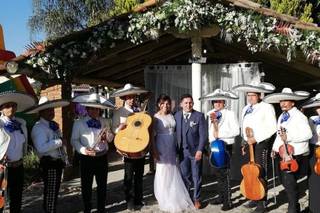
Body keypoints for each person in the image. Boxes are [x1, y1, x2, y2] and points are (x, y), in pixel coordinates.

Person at [264, 88, 312, 213]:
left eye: (286, 101)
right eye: (281, 101)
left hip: (294, 153)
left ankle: (293, 209)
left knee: (289, 182)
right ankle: (295, 206)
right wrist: (275, 148)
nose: (283, 103)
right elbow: (280, 135)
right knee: (284, 180)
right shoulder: (281, 116)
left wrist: (289, 137)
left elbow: (307, 134)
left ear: (293, 102)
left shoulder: (300, 116)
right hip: (283, 153)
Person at [232, 82, 277, 213]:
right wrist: (244, 143)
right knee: (250, 172)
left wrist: (256, 138)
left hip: (260, 143)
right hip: (248, 144)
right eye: (248, 95)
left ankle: (262, 203)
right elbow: (244, 126)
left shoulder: (267, 107)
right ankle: (254, 196)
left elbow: (272, 127)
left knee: (260, 172)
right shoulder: (246, 108)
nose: (250, 98)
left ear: (259, 95)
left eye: (253, 95)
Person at [71, 93, 115, 213]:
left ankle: (101, 209)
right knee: (86, 186)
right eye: (92, 108)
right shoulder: (79, 123)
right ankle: (87, 209)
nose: (95, 111)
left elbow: (111, 138)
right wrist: (84, 150)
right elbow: (73, 140)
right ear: (87, 109)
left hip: (102, 157)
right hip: (87, 158)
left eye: (97, 108)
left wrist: (108, 136)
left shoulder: (105, 121)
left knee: (102, 186)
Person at [26, 97, 70, 213]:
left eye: (52, 110)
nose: (51, 112)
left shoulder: (53, 125)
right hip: (49, 162)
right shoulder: (39, 127)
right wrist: (60, 142)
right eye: (48, 110)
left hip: (56, 162)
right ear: (41, 112)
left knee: (54, 191)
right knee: (51, 192)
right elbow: (41, 147)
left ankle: (51, 210)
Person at [152, 94, 194, 212]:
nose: (165, 105)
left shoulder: (172, 115)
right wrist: (154, 150)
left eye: (167, 103)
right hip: (161, 143)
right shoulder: (155, 117)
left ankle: (173, 193)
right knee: (163, 169)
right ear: (159, 105)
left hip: (172, 144)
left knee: (172, 169)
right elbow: (151, 136)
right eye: (163, 103)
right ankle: (163, 196)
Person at [200, 89, 240, 211]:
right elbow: (209, 131)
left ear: (224, 102)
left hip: (225, 145)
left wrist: (220, 133)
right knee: (217, 173)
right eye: (215, 102)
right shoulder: (210, 113)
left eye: (219, 101)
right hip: (214, 146)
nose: (217, 104)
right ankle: (221, 196)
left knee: (225, 173)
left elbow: (236, 131)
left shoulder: (230, 113)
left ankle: (228, 201)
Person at [111, 83, 149, 211]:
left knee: (139, 175)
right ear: (124, 98)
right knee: (129, 176)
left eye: (133, 97)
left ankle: (139, 199)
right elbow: (114, 130)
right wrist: (119, 129)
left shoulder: (139, 110)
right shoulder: (119, 112)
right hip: (127, 147)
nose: (131, 100)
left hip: (140, 146)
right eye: (129, 97)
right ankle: (129, 201)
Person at [0, 91, 36, 213]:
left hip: (18, 166)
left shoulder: (21, 124)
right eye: (7, 106)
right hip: (3, 168)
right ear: (1, 109)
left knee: (17, 198)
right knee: (1, 199)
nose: (11, 108)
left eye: (13, 105)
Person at [174, 94, 208, 209]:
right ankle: (186, 198)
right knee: (185, 176)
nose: (188, 105)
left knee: (196, 176)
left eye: (190, 103)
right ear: (181, 104)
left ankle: (197, 199)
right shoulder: (177, 116)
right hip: (182, 152)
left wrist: (200, 150)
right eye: (186, 103)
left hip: (195, 152)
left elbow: (203, 136)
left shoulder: (199, 116)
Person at [301, 93, 320, 213]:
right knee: (313, 179)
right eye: (317, 106)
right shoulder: (311, 119)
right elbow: (308, 134)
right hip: (314, 149)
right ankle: (314, 206)